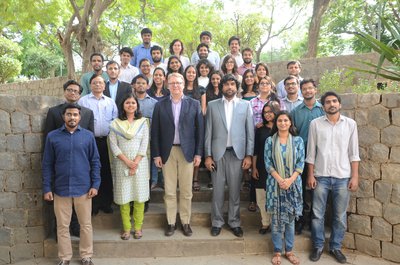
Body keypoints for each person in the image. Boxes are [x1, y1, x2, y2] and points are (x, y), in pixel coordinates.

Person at [42, 103, 100, 265]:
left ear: (80, 117)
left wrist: (95, 184)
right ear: (63, 117)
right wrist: (47, 187)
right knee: (62, 226)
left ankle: (86, 255)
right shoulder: (53, 137)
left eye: (75, 115)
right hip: (60, 189)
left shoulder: (88, 136)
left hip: (84, 188)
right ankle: (64, 257)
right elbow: (47, 164)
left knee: (85, 225)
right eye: (69, 114)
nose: (72, 117)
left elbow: (95, 161)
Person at [307, 91, 360, 264]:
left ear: (340, 104)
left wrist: (355, 176)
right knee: (317, 214)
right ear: (323, 106)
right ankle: (318, 246)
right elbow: (311, 152)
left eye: (334, 101)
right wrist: (310, 174)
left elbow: (354, 153)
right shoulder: (315, 124)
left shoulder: (350, 124)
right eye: (328, 102)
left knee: (339, 215)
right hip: (320, 176)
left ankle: (336, 246)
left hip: (343, 177)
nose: (332, 104)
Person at [151, 73, 204, 237]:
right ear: (167, 85)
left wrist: (198, 153)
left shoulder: (194, 104)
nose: (175, 85)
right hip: (167, 152)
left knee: (187, 191)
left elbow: (200, 131)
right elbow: (155, 132)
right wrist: (156, 154)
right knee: (169, 191)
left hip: (187, 152)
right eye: (172, 83)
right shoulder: (160, 105)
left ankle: (186, 222)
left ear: (183, 84)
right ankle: (171, 222)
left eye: (178, 83)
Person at [204, 74, 254, 238]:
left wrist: (248, 155)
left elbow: (250, 133)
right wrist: (208, 155)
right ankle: (217, 222)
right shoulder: (212, 105)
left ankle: (234, 222)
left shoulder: (245, 106)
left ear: (237, 87)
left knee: (234, 192)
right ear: (222, 87)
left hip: (237, 154)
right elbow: (208, 132)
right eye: (226, 84)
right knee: (217, 191)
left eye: (232, 84)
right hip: (218, 154)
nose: (229, 87)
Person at [44, 80, 95, 238]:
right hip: (60, 162)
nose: (73, 93)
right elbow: (49, 137)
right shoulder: (54, 112)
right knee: (62, 202)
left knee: (80, 206)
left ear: (80, 94)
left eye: (76, 91)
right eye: (70, 90)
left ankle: (76, 227)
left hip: (80, 163)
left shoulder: (87, 112)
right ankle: (61, 235)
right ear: (64, 91)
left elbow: (90, 138)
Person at [264, 111, 304, 265]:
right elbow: (268, 163)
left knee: (290, 220)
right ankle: (277, 251)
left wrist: (290, 180)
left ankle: (289, 250)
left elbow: (301, 163)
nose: (282, 123)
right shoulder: (270, 141)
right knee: (276, 219)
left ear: (290, 123)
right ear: (276, 123)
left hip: (293, 185)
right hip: (275, 184)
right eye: (279, 120)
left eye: (285, 120)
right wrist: (281, 180)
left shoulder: (298, 141)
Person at [108, 94, 150, 240]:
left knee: (139, 197)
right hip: (121, 163)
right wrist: (127, 162)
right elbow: (113, 145)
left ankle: (138, 228)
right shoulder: (115, 124)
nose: (131, 105)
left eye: (133, 103)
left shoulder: (143, 122)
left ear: (137, 105)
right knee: (124, 198)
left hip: (141, 164)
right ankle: (126, 228)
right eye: (128, 103)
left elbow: (145, 143)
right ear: (123, 105)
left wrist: (136, 162)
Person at [78, 74, 118, 215]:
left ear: (104, 85)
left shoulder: (110, 102)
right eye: (94, 83)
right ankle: (94, 204)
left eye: (100, 83)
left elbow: (115, 121)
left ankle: (106, 202)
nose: (98, 85)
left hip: (106, 141)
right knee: (92, 171)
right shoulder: (83, 101)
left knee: (106, 171)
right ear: (90, 85)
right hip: (90, 141)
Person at [290, 79, 324, 235]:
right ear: (300, 91)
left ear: (315, 89)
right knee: (300, 190)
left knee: (317, 191)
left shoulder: (323, 110)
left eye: (310, 88)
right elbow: (292, 135)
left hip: (321, 157)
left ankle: (313, 221)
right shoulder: (295, 112)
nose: (308, 91)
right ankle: (300, 220)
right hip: (301, 157)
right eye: (304, 89)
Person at [252, 101, 280, 235]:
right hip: (261, 167)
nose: (267, 114)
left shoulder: (282, 127)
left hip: (278, 169)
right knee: (261, 198)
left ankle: (276, 223)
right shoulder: (260, 129)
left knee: (275, 197)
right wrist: (254, 168)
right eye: (265, 112)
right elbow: (255, 150)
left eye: (270, 111)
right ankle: (265, 223)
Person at [132, 74, 160, 191]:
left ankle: (153, 180)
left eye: (143, 83)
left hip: (151, 136)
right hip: (134, 138)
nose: (141, 85)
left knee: (152, 158)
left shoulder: (154, 103)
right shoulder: (130, 102)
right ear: (133, 85)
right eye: (138, 83)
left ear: (148, 86)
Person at [183, 65, 205, 192]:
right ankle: (184, 179)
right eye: (188, 72)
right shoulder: (181, 89)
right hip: (182, 124)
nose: (191, 74)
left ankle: (195, 178)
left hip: (196, 124)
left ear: (196, 74)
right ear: (185, 74)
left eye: (193, 72)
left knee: (196, 151)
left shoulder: (201, 89)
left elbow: (203, 109)